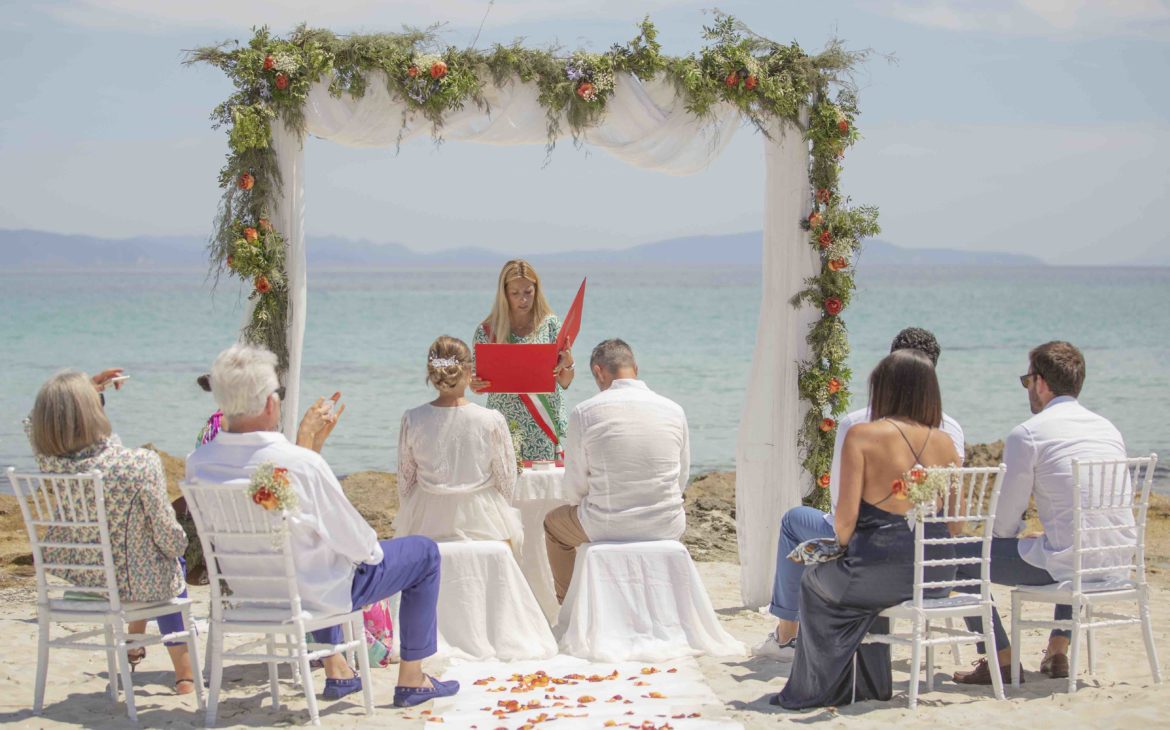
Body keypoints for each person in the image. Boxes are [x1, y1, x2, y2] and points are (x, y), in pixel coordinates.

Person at [185, 344, 458, 706]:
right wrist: (309, 453)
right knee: (423, 553)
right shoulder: (299, 465)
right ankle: (412, 679)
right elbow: (364, 547)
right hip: (309, 596)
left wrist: (308, 448)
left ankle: (339, 671)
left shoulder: (198, 464)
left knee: (310, 549)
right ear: (270, 403)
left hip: (248, 593)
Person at [754, 327, 965, 661]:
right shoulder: (948, 437)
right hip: (935, 572)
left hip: (876, 567)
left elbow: (843, 516)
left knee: (798, 528)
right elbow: (955, 525)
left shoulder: (860, 428)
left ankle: (786, 637)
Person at [951, 341, 1130, 685]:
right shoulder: (1109, 429)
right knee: (1067, 544)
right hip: (1114, 561)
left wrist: (1011, 539)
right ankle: (1058, 650)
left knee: (955, 557)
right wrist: (1040, 540)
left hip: (1070, 563)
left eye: (1026, 381)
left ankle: (1001, 658)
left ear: (1042, 383)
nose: (1027, 389)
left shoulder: (1030, 433)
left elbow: (1003, 522)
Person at [26, 369, 196, 694]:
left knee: (150, 560)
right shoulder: (139, 463)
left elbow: (38, 424)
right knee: (172, 563)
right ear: (96, 412)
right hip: (132, 587)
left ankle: (135, 640)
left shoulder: (54, 465)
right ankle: (185, 677)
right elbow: (172, 542)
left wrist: (78, 392)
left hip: (86, 580)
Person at [543, 339, 689, 602]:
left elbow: (575, 485)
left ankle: (569, 606)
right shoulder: (674, 410)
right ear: (635, 367)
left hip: (608, 524)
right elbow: (681, 477)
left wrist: (584, 504)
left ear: (599, 372)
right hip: (666, 522)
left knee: (554, 525)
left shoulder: (585, 412)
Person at [395, 336, 523, 552]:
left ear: (431, 372)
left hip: (428, 520)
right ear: (468, 371)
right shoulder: (491, 419)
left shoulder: (412, 419)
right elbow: (506, 481)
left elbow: (405, 483)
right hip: (483, 521)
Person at [470, 259, 574, 461]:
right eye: (515, 293)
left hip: (543, 425)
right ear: (504, 294)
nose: (523, 300)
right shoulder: (487, 332)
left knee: (545, 488)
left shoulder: (551, 325)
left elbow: (565, 381)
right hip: (504, 424)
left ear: (537, 290)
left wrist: (568, 363)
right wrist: (474, 384)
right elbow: (478, 385)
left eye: (528, 292)